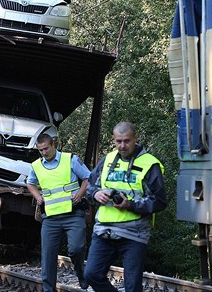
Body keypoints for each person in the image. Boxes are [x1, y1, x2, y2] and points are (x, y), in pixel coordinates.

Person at [84, 122, 168, 292]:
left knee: (132, 286)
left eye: (127, 141)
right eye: (118, 141)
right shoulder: (107, 160)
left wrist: (130, 205)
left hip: (134, 233)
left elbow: (159, 201)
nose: (122, 146)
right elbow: (90, 186)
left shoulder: (150, 164)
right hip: (104, 230)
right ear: (114, 140)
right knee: (91, 274)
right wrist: (95, 194)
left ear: (135, 139)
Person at [26, 133, 90, 291]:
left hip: (73, 215)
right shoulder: (36, 166)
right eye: (40, 150)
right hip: (50, 219)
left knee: (76, 249)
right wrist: (37, 196)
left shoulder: (71, 160)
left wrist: (80, 194)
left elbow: (88, 178)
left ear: (54, 144)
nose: (44, 152)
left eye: (46, 148)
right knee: (47, 257)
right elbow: (30, 183)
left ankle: (81, 274)